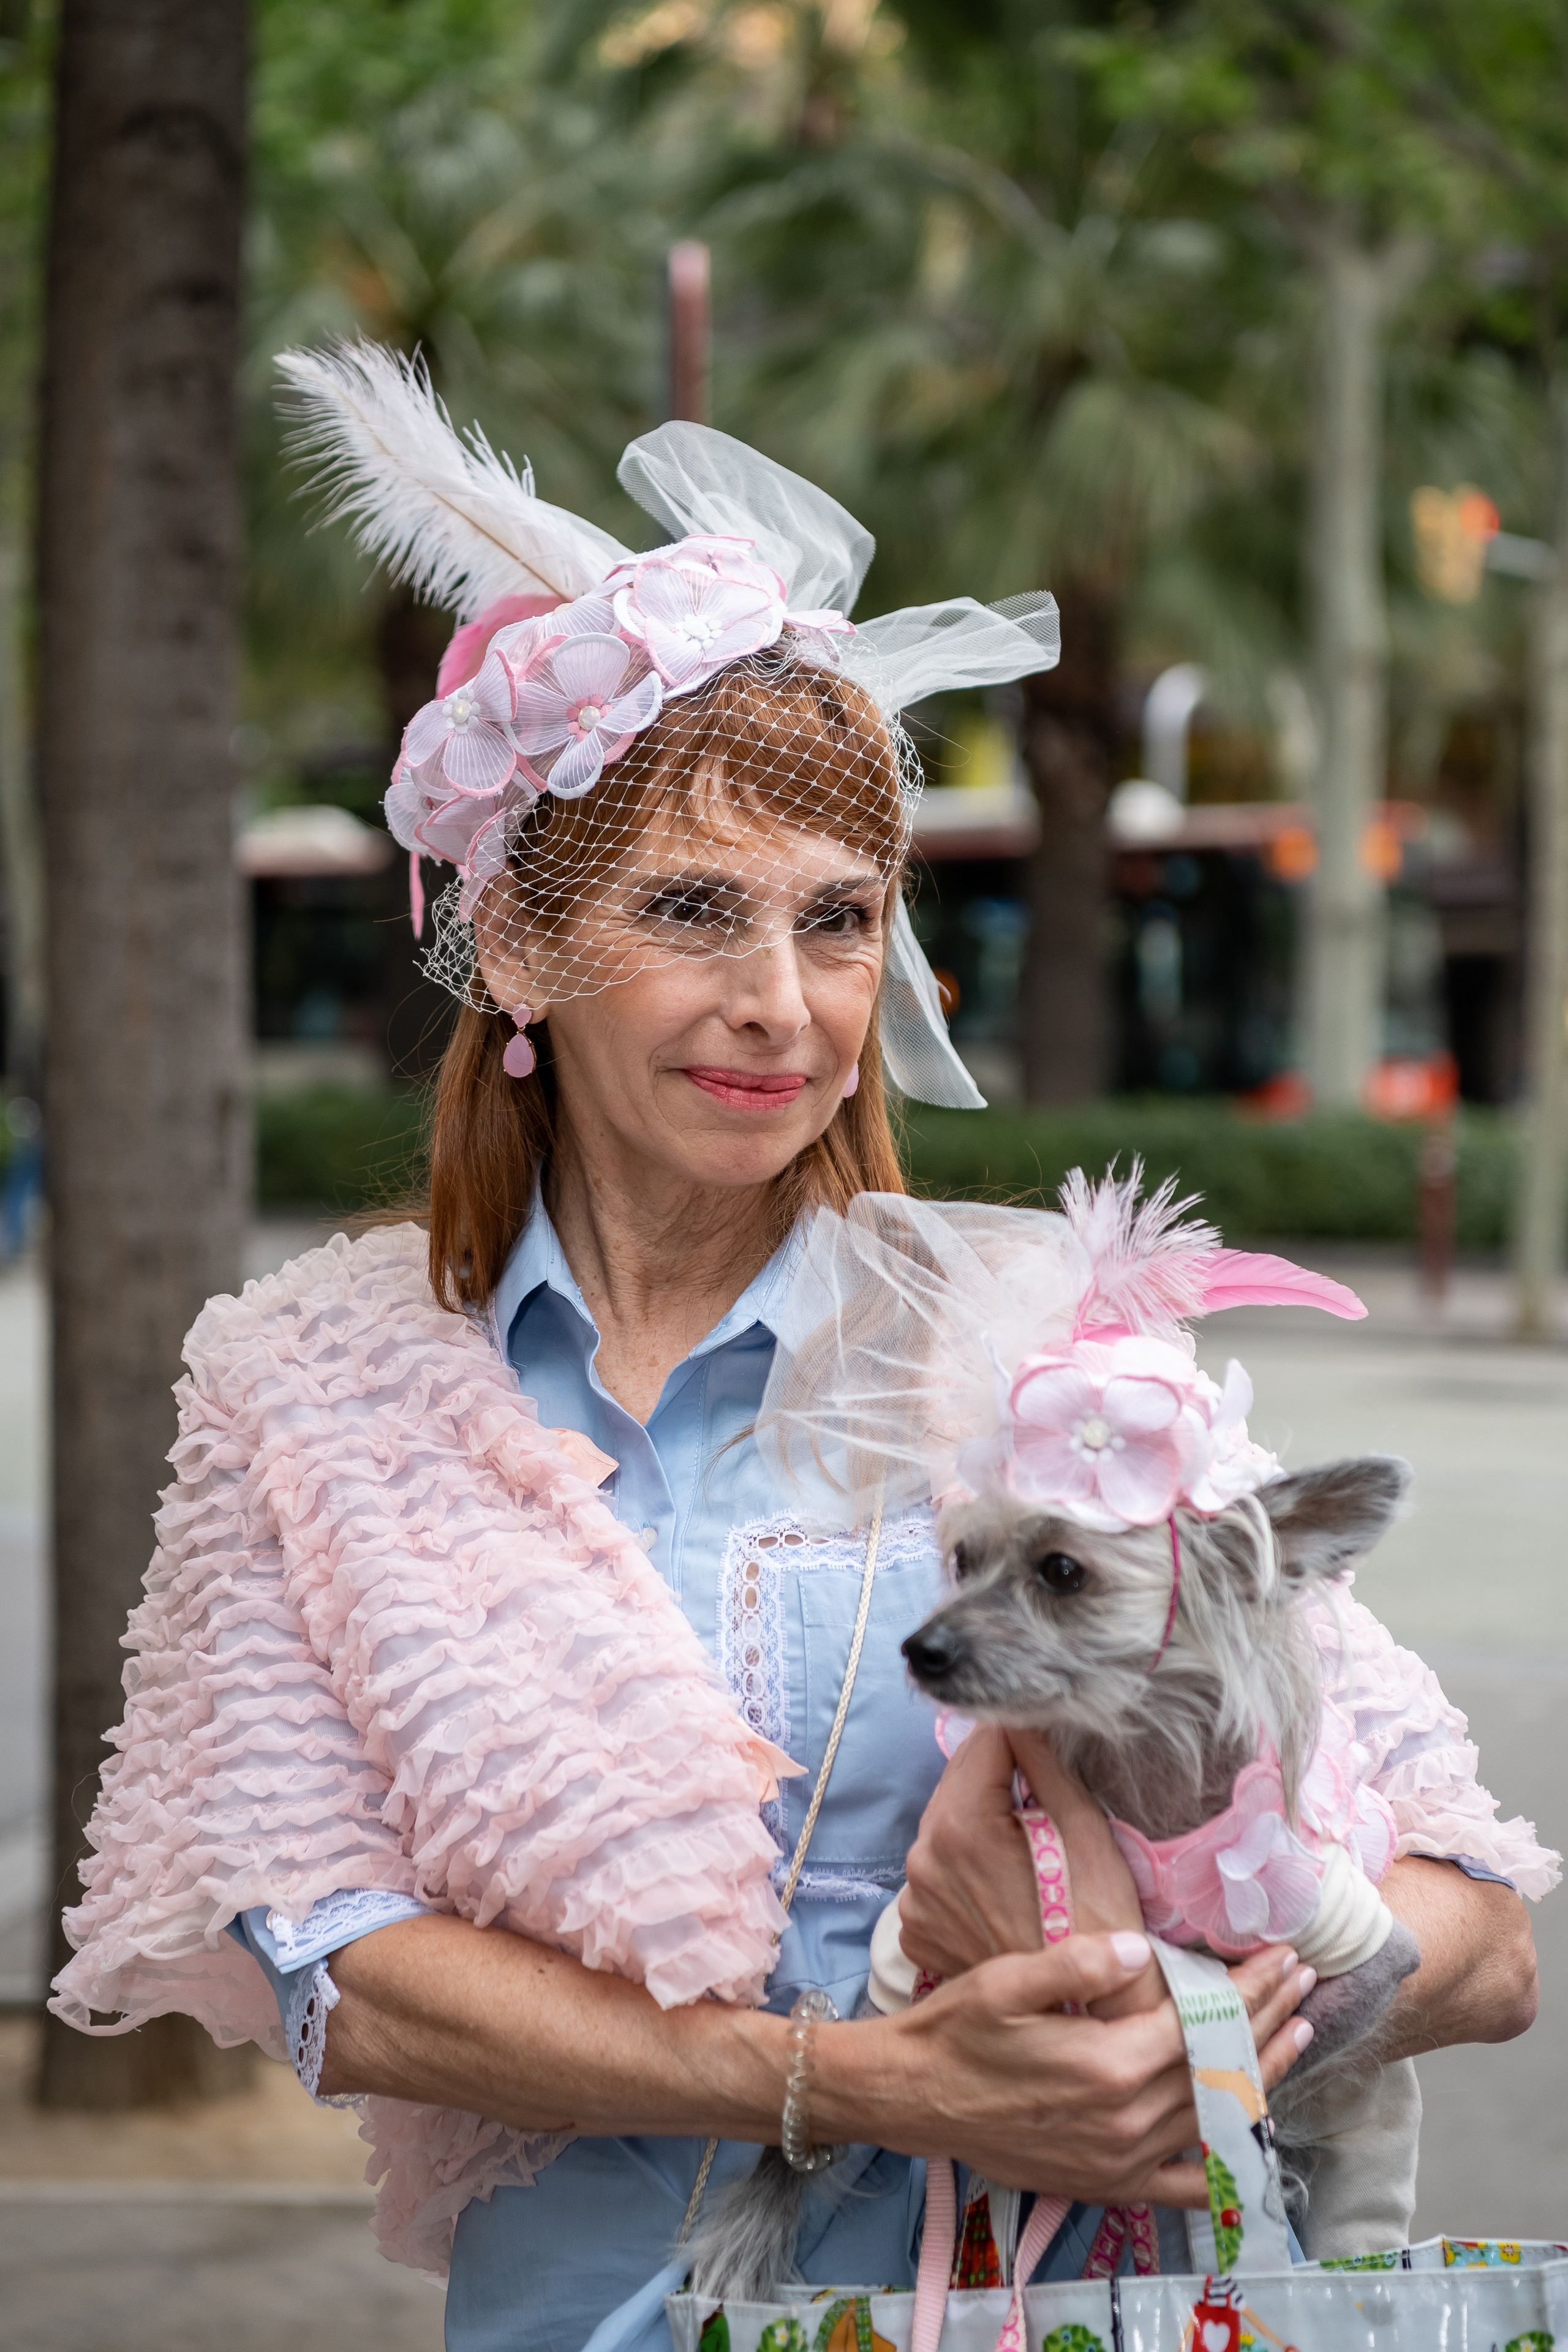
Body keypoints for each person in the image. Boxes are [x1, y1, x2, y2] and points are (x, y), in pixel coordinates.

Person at [52, 348, 1549, 2352]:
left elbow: (1472, 1922)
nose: (782, 1003)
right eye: (693, 910)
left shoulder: (1048, 1355)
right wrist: (852, 2085)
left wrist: (1201, 2016)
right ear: (514, 944)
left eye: (839, 922)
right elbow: (340, 1966)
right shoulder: (318, 1392)